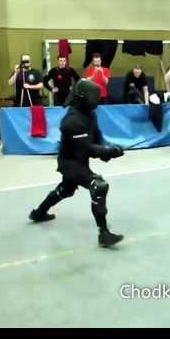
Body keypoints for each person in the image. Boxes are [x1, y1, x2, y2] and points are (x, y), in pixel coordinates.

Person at [29, 80, 126, 247]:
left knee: (65, 190)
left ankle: (38, 213)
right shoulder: (71, 121)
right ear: (82, 98)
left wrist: (108, 149)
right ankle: (104, 233)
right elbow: (85, 149)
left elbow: (97, 137)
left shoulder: (90, 114)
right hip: (70, 162)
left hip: (80, 160)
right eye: (94, 96)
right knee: (99, 185)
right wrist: (108, 152)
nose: (97, 99)